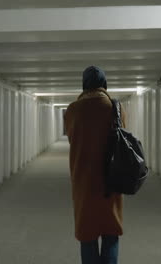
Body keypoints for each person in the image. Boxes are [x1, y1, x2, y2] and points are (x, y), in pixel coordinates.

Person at [64, 66, 126, 264]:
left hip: (84, 182)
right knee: (110, 234)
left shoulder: (73, 110)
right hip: (112, 180)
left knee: (87, 236)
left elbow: (72, 138)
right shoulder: (116, 108)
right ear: (104, 84)